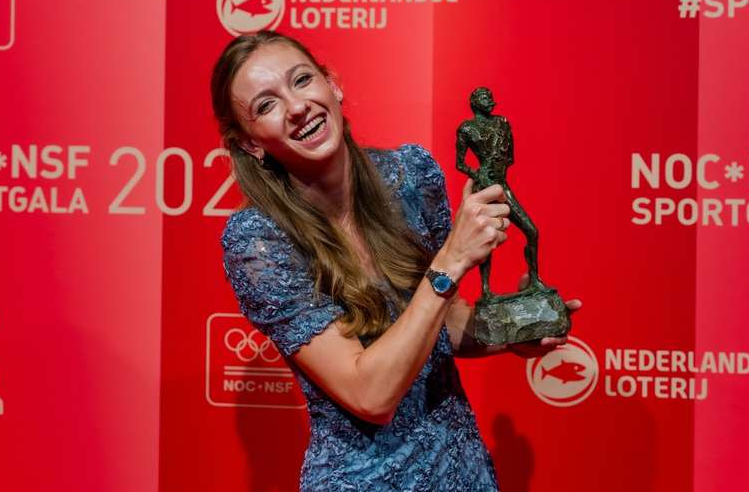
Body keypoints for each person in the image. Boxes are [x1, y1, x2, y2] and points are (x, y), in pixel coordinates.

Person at [212, 31, 580, 491]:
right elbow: (371, 394)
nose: (297, 107)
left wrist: (511, 328)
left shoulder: (409, 177)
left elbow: (439, 326)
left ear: (333, 85)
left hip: (463, 471)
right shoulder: (260, 241)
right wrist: (451, 260)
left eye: (302, 80)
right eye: (266, 106)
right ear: (251, 145)